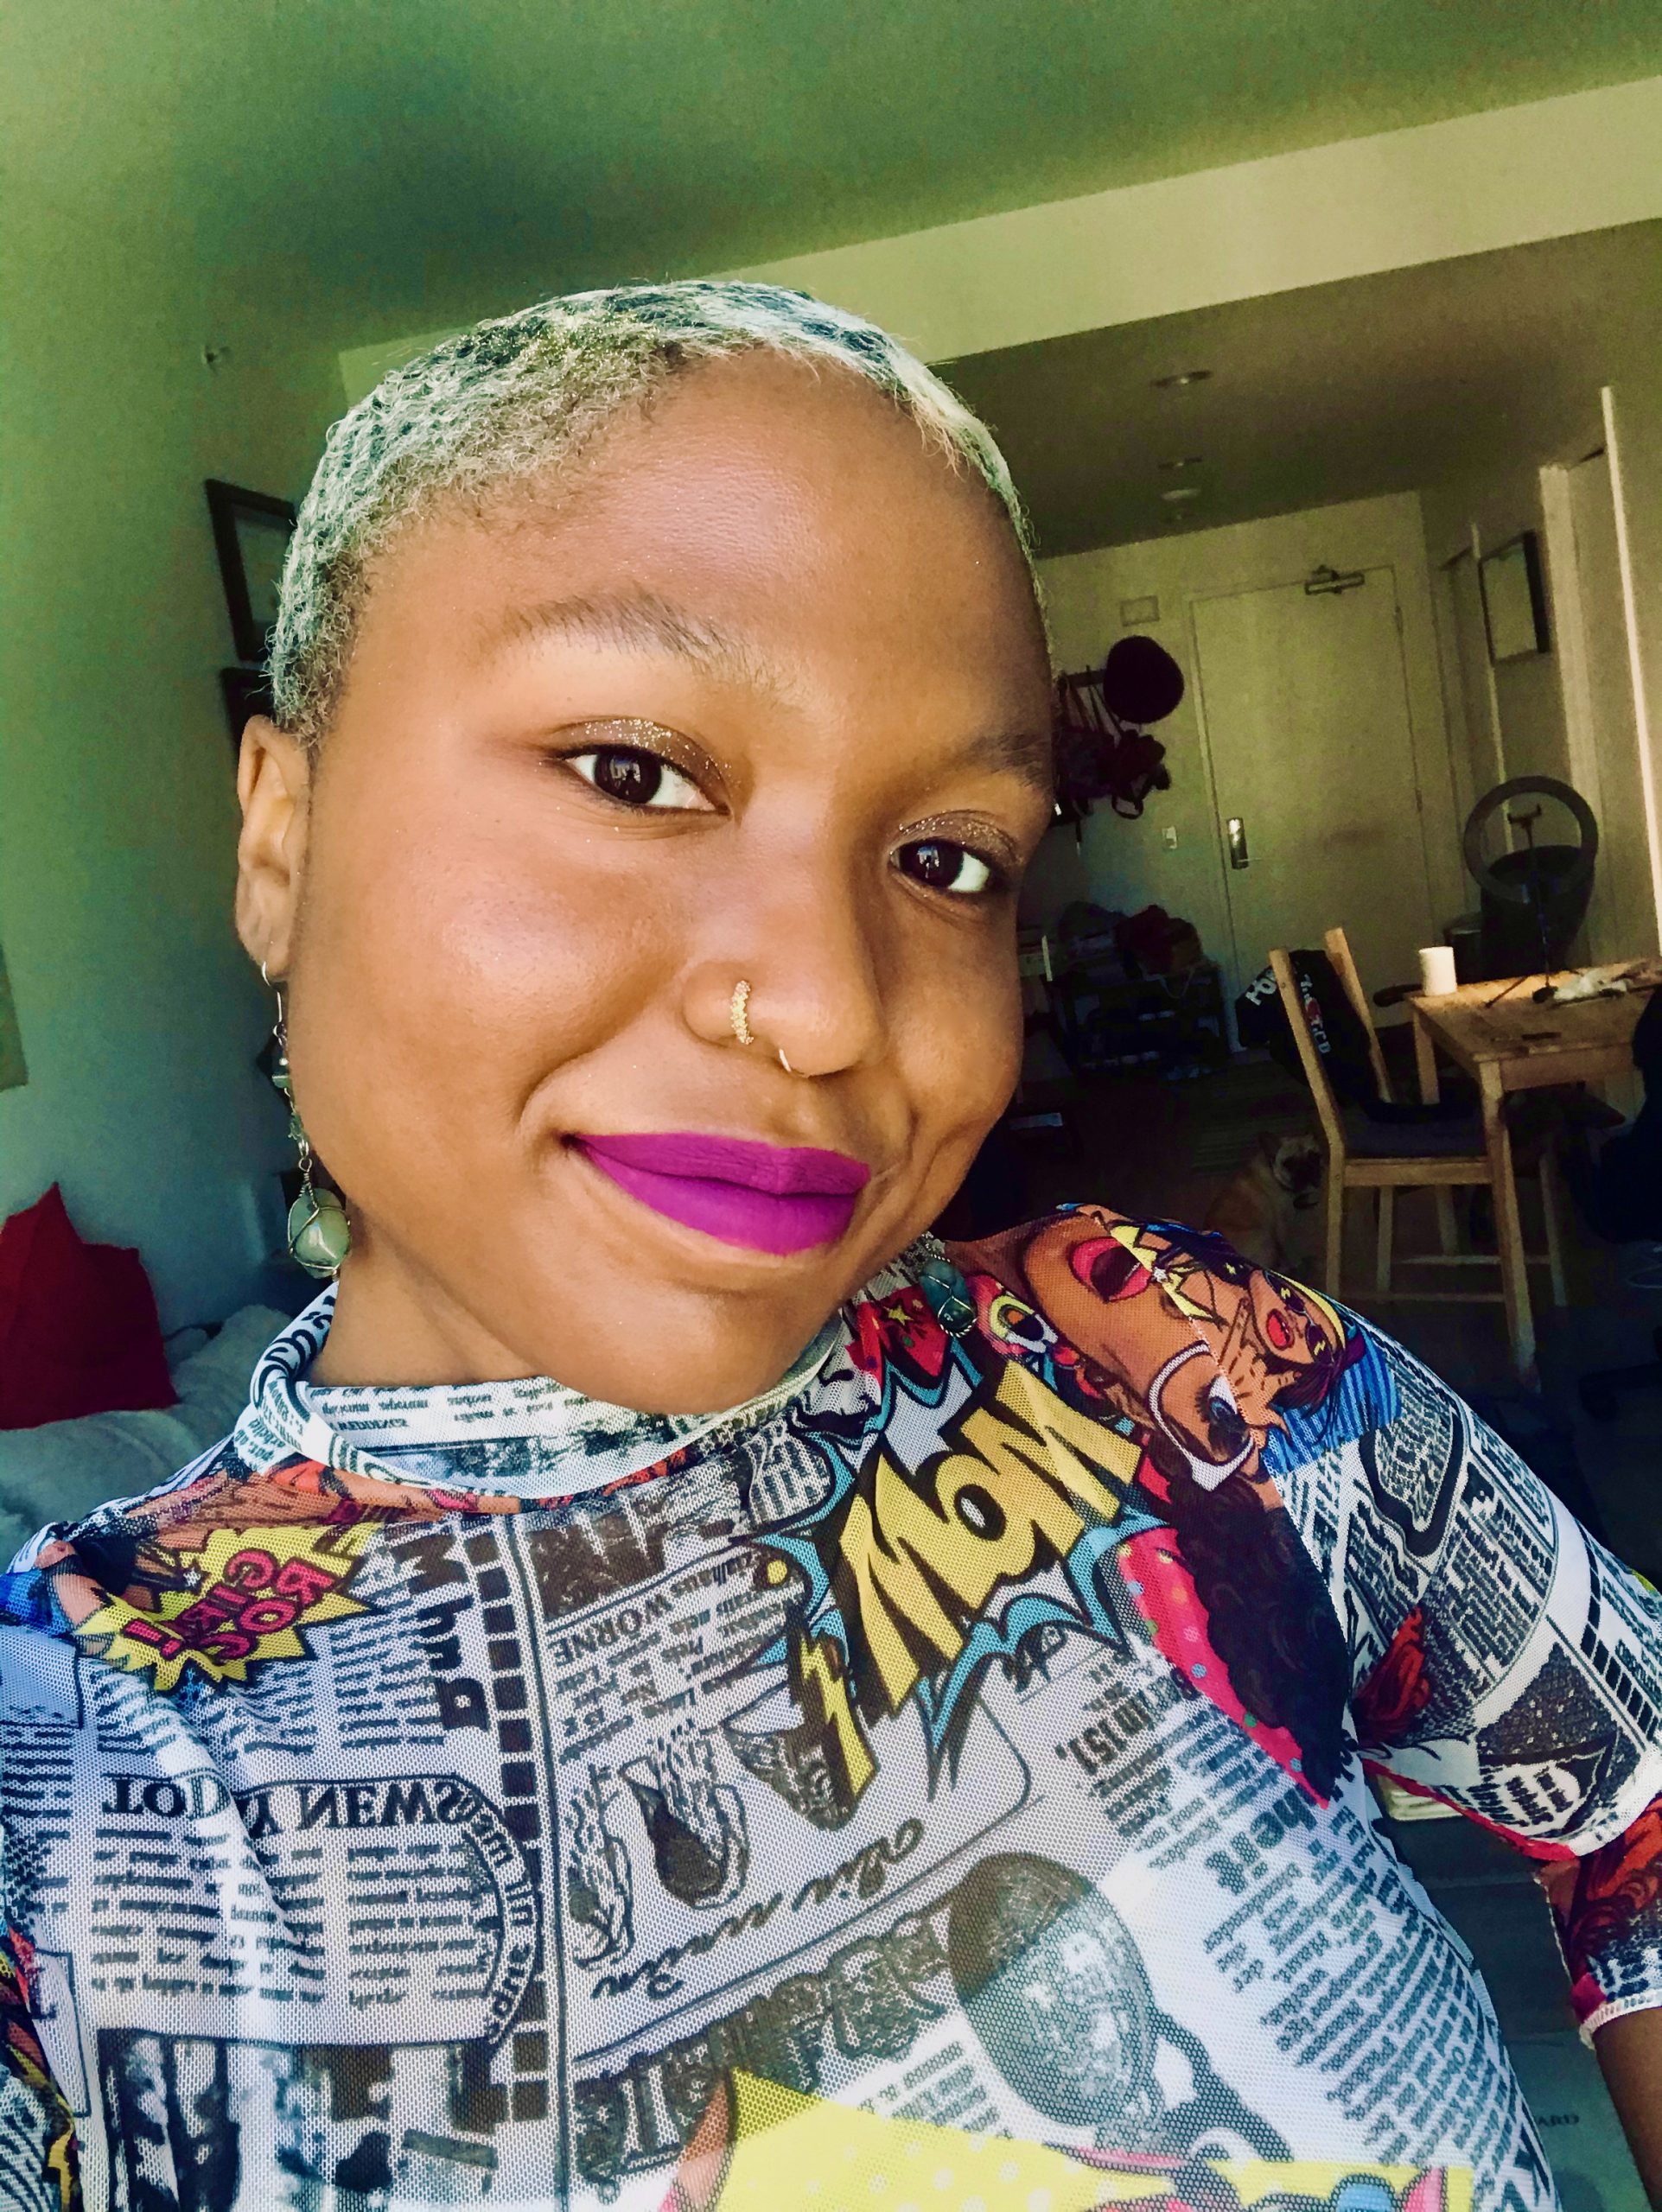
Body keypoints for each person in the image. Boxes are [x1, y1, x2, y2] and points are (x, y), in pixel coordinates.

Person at [0, 282, 1657, 2212]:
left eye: (943, 856)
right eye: (633, 771)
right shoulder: (67, 1767)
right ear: (277, 834)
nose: (825, 1006)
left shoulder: (1157, 1352)